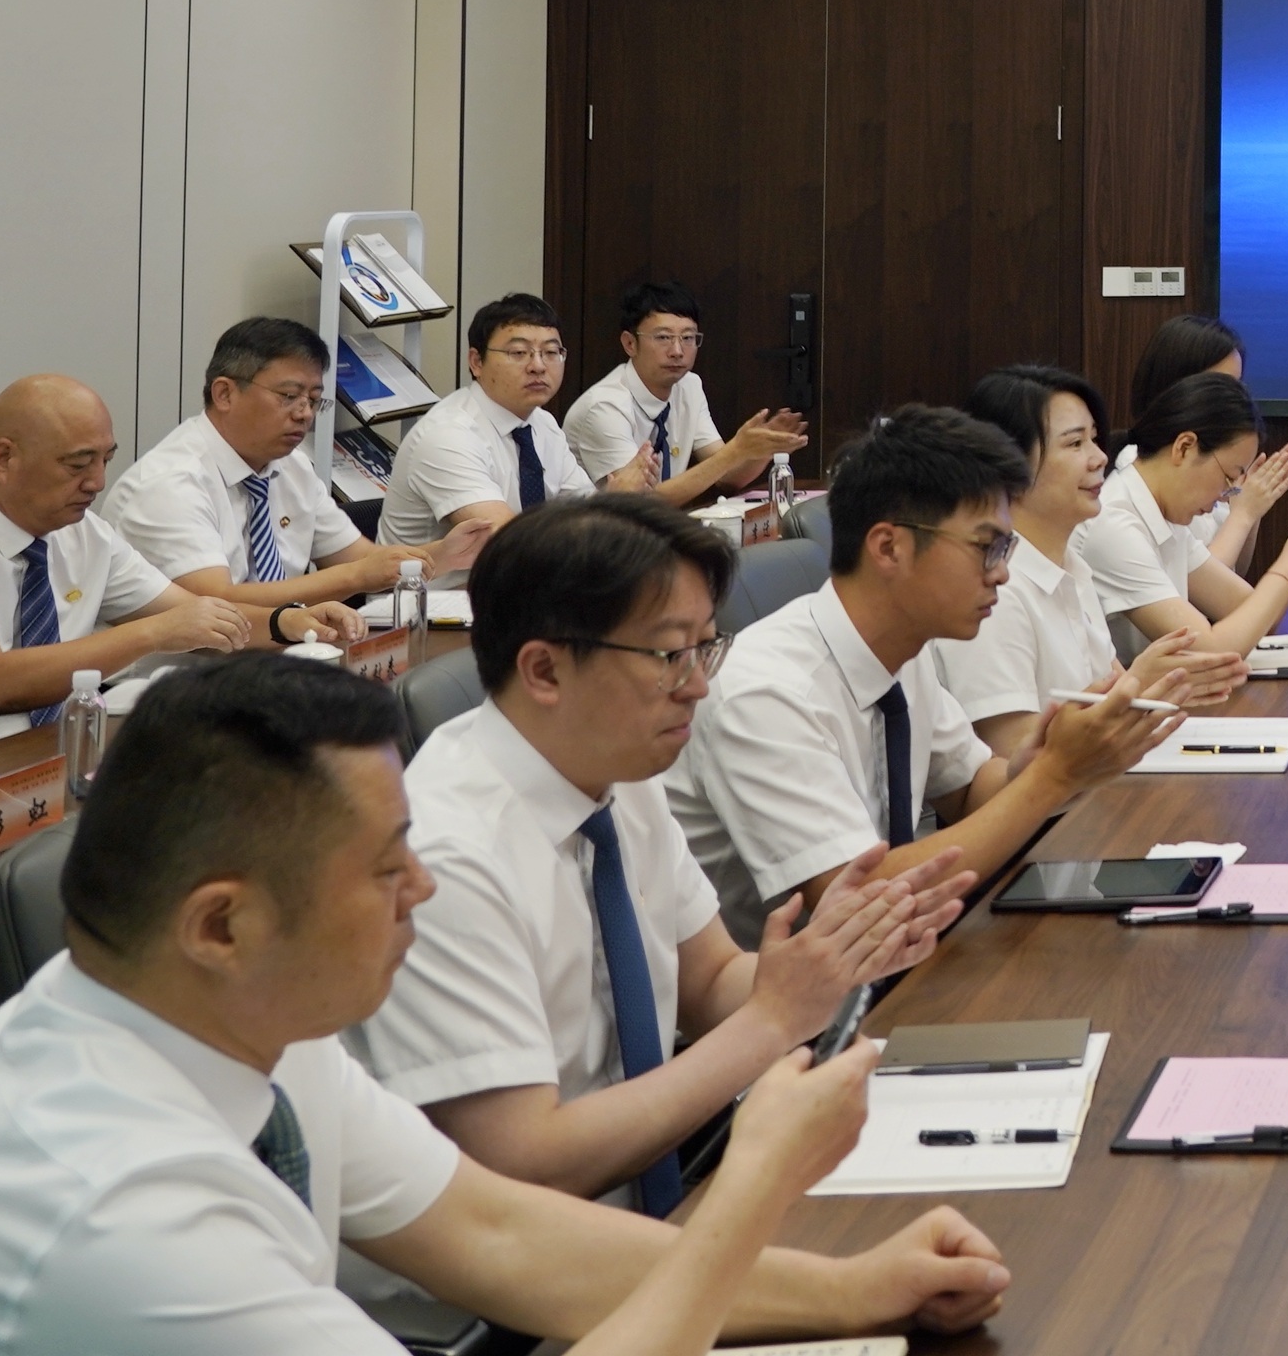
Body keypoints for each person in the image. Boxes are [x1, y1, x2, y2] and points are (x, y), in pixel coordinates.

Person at [0, 652, 1011, 1356]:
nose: (423, 888)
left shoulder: (217, 1021)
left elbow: (501, 1236)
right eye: (388, 866)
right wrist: (754, 1182)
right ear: (222, 922)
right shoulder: (121, 1219)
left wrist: (861, 1286)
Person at [357, 496, 974, 1210]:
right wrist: (771, 1021)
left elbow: (709, 982)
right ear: (544, 671)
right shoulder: (445, 860)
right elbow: (528, 1164)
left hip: (652, 1197)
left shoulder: (617, 771)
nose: (700, 685)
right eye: (669, 655)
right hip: (534, 1257)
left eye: (706, 647)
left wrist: (834, 963)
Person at [667, 404, 1200, 927]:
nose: (1003, 573)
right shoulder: (766, 694)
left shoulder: (904, 652)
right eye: (987, 547)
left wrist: (1063, 759)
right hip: (793, 976)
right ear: (889, 548)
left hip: (893, 955)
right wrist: (1053, 777)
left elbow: (969, 790)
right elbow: (857, 900)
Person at [0, 375, 306, 779]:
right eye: (77, 464)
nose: (97, 482)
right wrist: (153, 634)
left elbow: (199, 619)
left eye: (105, 460)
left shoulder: (84, 535)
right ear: (4, 459)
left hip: (40, 770)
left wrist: (290, 623)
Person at [937, 366, 1245, 762]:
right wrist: (1136, 685)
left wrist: (1146, 686)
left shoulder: (1072, 567)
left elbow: (1112, 695)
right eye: (1075, 443)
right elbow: (1011, 754)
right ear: (1007, 462)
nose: (1099, 457)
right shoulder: (992, 590)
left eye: (1095, 439)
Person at [113, 318, 469, 617]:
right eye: (288, 397)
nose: (305, 414)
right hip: (179, 671)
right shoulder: (169, 484)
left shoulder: (292, 465)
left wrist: (445, 554)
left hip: (279, 655)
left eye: (314, 400)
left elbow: (360, 559)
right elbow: (218, 604)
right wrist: (356, 577)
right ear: (224, 394)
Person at [1076, 372, 1288, 661]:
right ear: (1184, 447)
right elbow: (1212, 650)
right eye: (1228, 478)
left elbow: (1253, 614)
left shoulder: (1165, 515)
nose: (1225, 497)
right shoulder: (1115, 523)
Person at [559, 282, 808, 511]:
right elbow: (640, 504)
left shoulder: (689, 386)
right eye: (663, 337)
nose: (677, 351)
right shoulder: (604, 407)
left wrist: (761, 449)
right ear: (630, 344)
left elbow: (726, 476)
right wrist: (735, 451)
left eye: (688, 338)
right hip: (602, 537)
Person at [383, 295, 581, 551]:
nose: (538, 366)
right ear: (476, 362)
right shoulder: (447, 435)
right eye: (518, 353)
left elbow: (587, 513)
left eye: (551, 352)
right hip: (438, 579)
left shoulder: (542, 423)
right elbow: (507, 543)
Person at [1119, 314, 1288, 567]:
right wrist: (1245, 513)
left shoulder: (1209, 458)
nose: (1232, 399)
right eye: (1220, 387)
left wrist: (1250, 505)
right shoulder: (1146, 469)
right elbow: (1198, 587)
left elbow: (1233, 574)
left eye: (1237, 386)